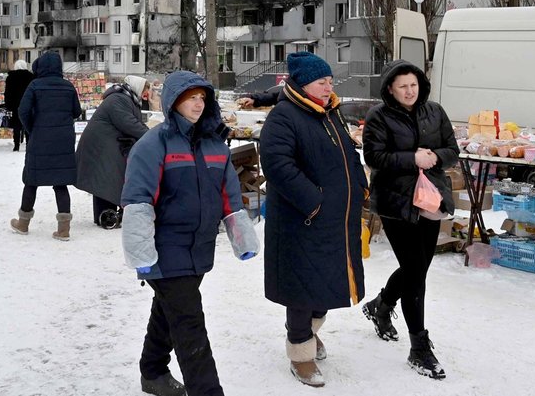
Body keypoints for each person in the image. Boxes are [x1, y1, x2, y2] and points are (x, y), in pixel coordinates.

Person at [121, 71, 244, 396]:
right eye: (191, 97)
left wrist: (242, 238)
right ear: (174, 100)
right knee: (190, 327)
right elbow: (137, 202)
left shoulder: (215, 145)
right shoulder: (153, 144)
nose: (198, 103)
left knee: (168, 310)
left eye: (203, 97)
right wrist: (142, 255)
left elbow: (229, 195)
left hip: (199, 249)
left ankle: (153, 372)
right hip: (164, 249)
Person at [260, 52, 368, 388]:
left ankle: (307, 333)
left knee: (327, 284)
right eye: (322, 81)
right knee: (302, 290)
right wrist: (314, 204)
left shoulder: (328, 112)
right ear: (303, 82)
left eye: (330, 80)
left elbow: (348, 154)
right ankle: (301, 355)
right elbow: (277, 166)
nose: (328, 85)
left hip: (335, 220)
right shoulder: (284, 117)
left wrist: (361, 186)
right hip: (303, 223)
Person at [361, 60, 459, 380]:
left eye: (413, 85)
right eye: (403, 86)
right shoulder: (379, 116)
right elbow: (373, 157)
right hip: (395, 202)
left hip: (429, 198)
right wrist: (411, 158)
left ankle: (382, 304)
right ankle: (419, 347)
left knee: (417, 266)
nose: (409, 91)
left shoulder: (434, 111)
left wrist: (434, 157)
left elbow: (452, 150)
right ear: (390, 88)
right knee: (416, 272)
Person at [9, 52, 82, 241]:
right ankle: (64, 228)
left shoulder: (35, 86)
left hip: (40, 138)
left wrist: (32, 128)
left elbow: (22, 110)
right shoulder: (68, 87)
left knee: (31, 180)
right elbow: (76, 111)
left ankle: (23, 223)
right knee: (61, 182)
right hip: (63, 140)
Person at [76, 75, 148, 228]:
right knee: (105, 177)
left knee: (106, 177)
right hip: (101, 145)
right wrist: (150, 135)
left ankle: (106, 212)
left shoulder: (126, 98)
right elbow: (128, 123)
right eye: (145, 88)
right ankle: (105, 214)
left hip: (106, 144)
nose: (146, 92)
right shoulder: (118, 99)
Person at [4, 60, 34, 151]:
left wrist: (8, 104)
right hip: (28, 103)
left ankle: (16, 145)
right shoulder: (31, 77)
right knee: (28, 124)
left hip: (15, 104)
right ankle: (29, 144)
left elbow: (8, 92)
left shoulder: (11, 77)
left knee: (16, 124)